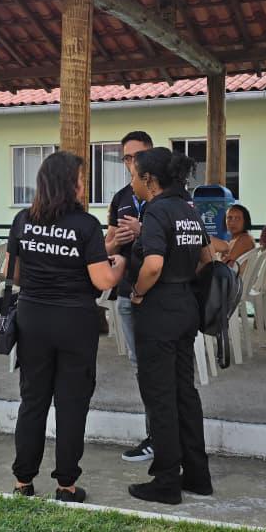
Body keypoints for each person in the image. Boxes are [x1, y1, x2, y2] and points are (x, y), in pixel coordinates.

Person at [10, 151, 124, 502]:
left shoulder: (23, 219)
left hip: (32, 317)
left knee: (33, 400)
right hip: (74, 320)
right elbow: (103, 279)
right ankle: (66, 485)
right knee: (72, 403)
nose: (83, 184)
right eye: (80, 177)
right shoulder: (85, 224)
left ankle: (23, 481)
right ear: (67, 182)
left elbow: (12, 273)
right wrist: (118, 263)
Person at [127, 148, 214, 505]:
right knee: (184, 393)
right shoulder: (189, 210)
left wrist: (136, 292)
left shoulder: (158, 211)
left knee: (160, 397)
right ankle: (197, 475)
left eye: (134, 175)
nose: (131, 182)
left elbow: (152, 265)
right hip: (185, 307)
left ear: (149, 180)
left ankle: (165, 479)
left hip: (159, 309)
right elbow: (206, 259)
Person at [105, 129, 156, 464]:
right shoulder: (122, 196)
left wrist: (143, 231)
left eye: (138, 155)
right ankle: (154, 433)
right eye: (126, 156)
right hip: (127, 294)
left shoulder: (165, 196)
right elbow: (107, 243)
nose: (131, 162)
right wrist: (115, 240)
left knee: (159, 366)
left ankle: (160, 435)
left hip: (156, 293)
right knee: (141, 366)